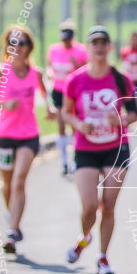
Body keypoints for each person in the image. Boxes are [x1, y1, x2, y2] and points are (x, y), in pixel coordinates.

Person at [62, 26, 137, 274]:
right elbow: (66, 111)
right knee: (89, 205)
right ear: (88, 47)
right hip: (86, 148)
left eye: (104, 42)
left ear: (110, 47)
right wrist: (78, 124)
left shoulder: (120, 79)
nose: (100, 46)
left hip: (116, 148)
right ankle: (84, 238)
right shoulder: (76, 79)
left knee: (108, 204)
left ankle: (103, 256)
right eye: (95, 42)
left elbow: (135, 113)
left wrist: (121, 120)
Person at [0, 25, 56, 255]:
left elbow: (45, 93)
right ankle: (14, 221)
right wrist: (2, 104)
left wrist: (50, 108)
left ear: (29, 47)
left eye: (21, 43)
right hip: (4, 134)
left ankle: (11, 232)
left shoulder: (36, 73)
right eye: (12, 43)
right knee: (8, 184)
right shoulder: (0, 72)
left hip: (29, 135)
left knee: (20, 180)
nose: (17, 47)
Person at [47, 19, 88, 174]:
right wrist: (51, 73)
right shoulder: (54, 50)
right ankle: (64, 161)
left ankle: (76, 159)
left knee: (74, 125)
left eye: (68, 39)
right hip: (58, 90)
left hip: (74, 92)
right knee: (61, 125)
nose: (66, 42)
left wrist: (76, 65)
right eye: (63, 39)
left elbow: (86, 70)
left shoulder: (81, 50)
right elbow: (50, 65)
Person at [119, 31, 137, 117]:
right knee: (129, 96)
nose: (134, 40)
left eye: (136, 38)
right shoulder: (125, 51)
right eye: (133, 38)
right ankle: (130, 112)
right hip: (129, 78)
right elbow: (123, 62)